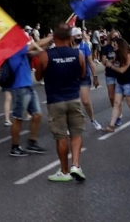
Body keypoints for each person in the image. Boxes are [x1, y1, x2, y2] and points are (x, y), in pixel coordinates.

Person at [35, 23, 87, 182]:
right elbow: (83, 73)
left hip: (55, 101)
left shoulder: (45, 55)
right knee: (76, 133)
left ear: (54, 38)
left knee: (61, 136)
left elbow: (38, 77)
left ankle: (64, 171)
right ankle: (76, 166)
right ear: (71, 38)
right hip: (74, 98)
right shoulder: (78, 54)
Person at [102, 38, 130, 132]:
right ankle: (111, 126)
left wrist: (111, 66)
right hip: (120, 82)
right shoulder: (117, 55)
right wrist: (109, 62)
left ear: (120, 45)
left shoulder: (129, 55)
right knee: (116, 103)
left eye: (115, 44)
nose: (113, 46)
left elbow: (122, 70)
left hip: (129, 82)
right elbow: (111, 62)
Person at [72, 27, 102, 130]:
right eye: (77, 36)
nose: (79, 37)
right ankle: (71, 122)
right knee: (71, 102)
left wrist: (95, 77)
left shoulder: (84, 46)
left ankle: (93, 120)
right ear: (71, 37)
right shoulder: (67, 47)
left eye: (80, 35)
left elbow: (91, 62)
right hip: (71, 78)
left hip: (84, 76)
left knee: (85, 101)